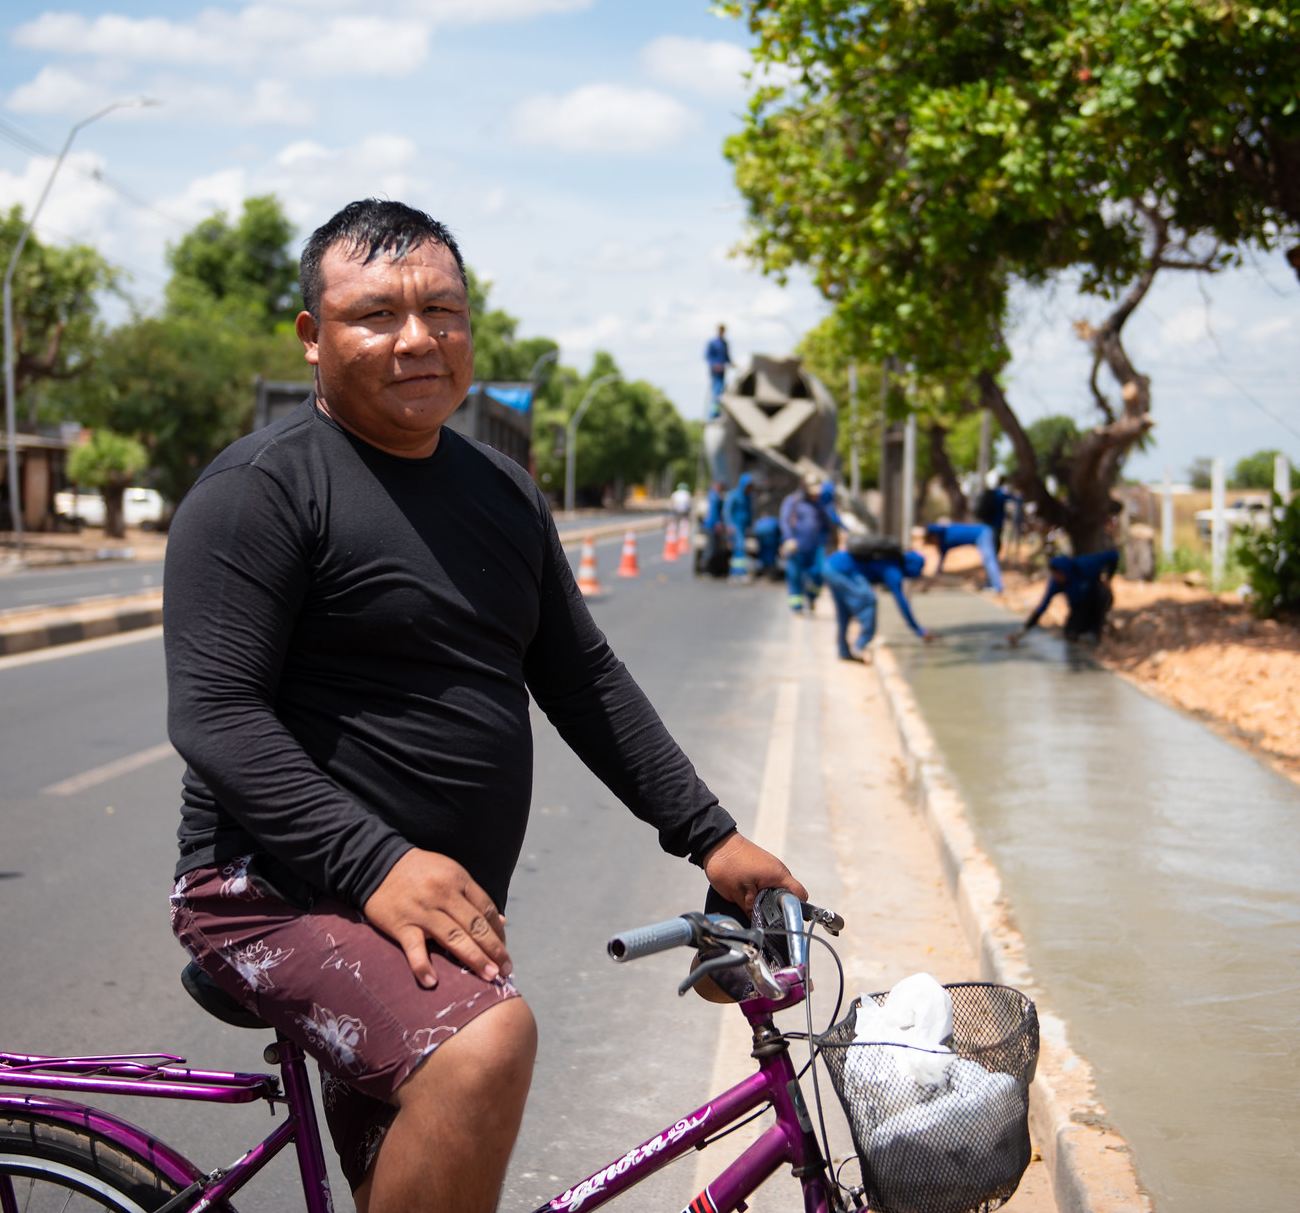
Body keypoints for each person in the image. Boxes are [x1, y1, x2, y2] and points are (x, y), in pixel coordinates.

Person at [164, 199, 805, 1213]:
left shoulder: (501, 491)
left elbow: (582, 678)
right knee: (485, 1043)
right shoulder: (260, 490)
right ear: (311, 336)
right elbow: (216, 715)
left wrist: (710, 835)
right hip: (275, 893)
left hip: (426, 918)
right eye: (376, 314)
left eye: (442, 311)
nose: (418, 338)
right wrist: (376, 862)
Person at [822, 541, 933, 661]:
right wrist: (918, 630)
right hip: (843, 570)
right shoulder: (893, 570)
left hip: (830, 565)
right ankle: (860, 646)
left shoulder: (889, 562)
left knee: (844, 612)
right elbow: (901, 601)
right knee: (870, 601)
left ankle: (844, 651)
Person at [1008, 548, 1120, 646]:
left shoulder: (1084, 565)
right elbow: (1043, 606)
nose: (1057, 578)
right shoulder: (1056, 584)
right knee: (1070, 633)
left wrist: (1109, 578)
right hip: (1078, 606)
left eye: (1059, 574)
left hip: (1095, 599)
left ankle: (1096, 631)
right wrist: (1024, 630)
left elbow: (1114, 555)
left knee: (1102, 595)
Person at [778, 474, 832, 613]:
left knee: (820, 573)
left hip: (816, 546)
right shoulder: (792, 501)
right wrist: (788, 538)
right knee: (795, 576)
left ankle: (812, 596)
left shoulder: (819, 504)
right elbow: (784, 521)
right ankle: (797, 607)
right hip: (797, 546)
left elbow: (826, 523)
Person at [921, 520, 1004, 594]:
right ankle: (989, 584)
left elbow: (936, 528)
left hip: (982, 532)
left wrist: (926, 527)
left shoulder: (944, 533)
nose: (933, 544)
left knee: (988, 559)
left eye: (931, 541)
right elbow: (940, 563)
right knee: (987, 560)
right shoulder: (943, 544)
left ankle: (997, 586)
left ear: (933, 536)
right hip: (981, 533)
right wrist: (931, 580)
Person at [724, 471, 756, 580]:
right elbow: (727, 511)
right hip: (735, 526)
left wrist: (749, 525)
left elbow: (750, 512)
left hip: (744, 526)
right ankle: (738, 573)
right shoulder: (734, 495)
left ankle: (736, 572)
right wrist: (729, 525)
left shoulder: (748, 497)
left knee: (740, 549)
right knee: (739, 547)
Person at [705, 324, 731, 417]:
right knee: (716, 392)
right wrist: (715, 364)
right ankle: (713, 414)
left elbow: (727, 357)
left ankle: (718, 412)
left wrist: (731, 364)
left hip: (722, 371)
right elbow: (708, 356)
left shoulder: (725, 343)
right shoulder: (712, 342)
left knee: (721, 392)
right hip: (715, 372)